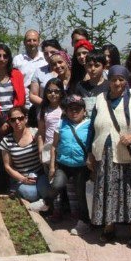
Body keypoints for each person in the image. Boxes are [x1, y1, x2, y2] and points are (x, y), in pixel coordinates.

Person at [86, 65, 131, 244]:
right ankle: (109, 228)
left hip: (127, 153)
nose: (117, 83)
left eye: (121, 79)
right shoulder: (100, 98)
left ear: (126, 81)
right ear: (109, 80)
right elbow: (92, 128)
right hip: (104, 152)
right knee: (108, 190)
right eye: (114, 79)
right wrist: (89, 153)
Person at [0, 43, 26, 193]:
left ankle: (16, 187)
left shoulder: (16, 74)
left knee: (15, 154)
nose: (2, 59)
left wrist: (10, 121)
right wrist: (1, 121)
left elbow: (20, 98)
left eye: (5, 56)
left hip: (15, 119)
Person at [50, 95, 91, 229]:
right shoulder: (61, 124)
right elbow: (54, 145)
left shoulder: (90, 125)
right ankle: (46, 202)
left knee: (81, 194)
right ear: (66, 111)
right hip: (64, 164)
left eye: (77, 109)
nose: (74, 112)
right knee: (57, 185)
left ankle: (84, 222)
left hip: (82, 166)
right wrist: (52, 166)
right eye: (70, 109)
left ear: (84, 110)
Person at [0, 106, 49, 211]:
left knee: (46, 190)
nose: (17, 122)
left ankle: (45, 206)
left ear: (25, 118)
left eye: (20, 118)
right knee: (31, 194)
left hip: (39, 174)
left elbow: (44, 152)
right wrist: (23, 179)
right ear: (9, 122)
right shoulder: (6, 141)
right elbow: (7, 166)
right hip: (21, 177)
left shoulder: (34, 133)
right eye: (13, 120)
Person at [37, 77, 65, 217]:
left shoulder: (65, 109)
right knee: (52, 180)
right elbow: (41, 132)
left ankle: (66, 211)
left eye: (56, 91)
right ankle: (55, 211)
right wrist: (40, 149)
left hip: (63, 148)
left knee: (62, 182)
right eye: (49, 91)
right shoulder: (44, 110)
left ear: (61, 93)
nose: (53, 94)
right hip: (48, 149)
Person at [13, 30, 48, 111]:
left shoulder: (45, 58)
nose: (32, 43)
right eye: (29, 40)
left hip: (43, 103)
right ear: (24, 42)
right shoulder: (17, 60)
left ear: (39, 42)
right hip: (24, 105)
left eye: (34, 40)